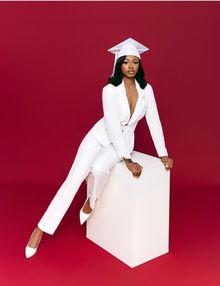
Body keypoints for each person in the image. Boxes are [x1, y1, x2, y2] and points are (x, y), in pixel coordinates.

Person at [25, 38, 174, 259]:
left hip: (123, 142)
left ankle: (91, 201)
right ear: (118, 64)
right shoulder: (109, 90)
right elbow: (113, 125)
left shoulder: (147, 90)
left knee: (97, 169)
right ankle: (41, 229)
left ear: (139, 65)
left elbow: (154, 119)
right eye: (126, 62)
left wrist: (162, 153)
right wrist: (128, 159)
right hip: (99, 137)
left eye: (135, 62)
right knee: (75, 178)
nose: (131, 66)